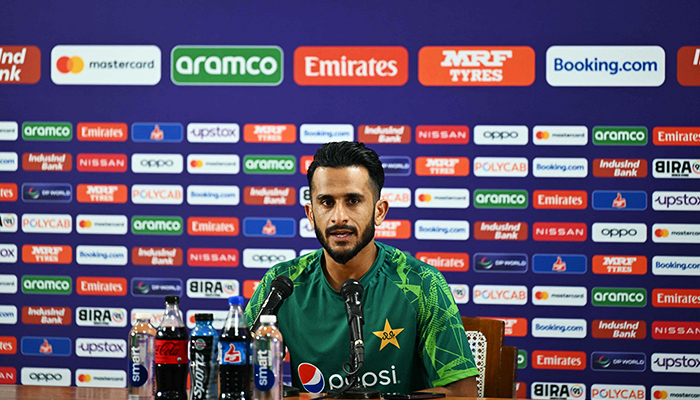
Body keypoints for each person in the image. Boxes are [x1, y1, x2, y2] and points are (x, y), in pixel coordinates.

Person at [244, 141, 478, 396]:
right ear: (311, 214)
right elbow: (235, 376)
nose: (339, 217)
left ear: (379, 212)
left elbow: (463, 394)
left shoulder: (421, 283)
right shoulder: (282, 283)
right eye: (326, 202)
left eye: (353, 200)